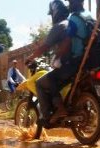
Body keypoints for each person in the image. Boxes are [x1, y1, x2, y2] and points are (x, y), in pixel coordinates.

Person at [28, 0, 92, 129]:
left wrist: (31, 57)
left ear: (55, 13)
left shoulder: (59, 26)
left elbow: (45, 46)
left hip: (69, 64)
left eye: (51, 14)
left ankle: (49, 115)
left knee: (41, 82)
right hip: (82, 62)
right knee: (55, 78)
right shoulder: (75, 21)